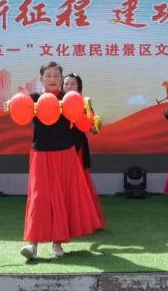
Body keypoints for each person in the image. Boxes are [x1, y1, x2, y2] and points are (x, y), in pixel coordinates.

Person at [20, 62, 102, 260]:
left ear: (61, 79)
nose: (52, 79)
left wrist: (87, 112)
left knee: (62, 197)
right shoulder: (33, 99)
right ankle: (33, 244)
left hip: (65, 153)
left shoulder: (69, 98)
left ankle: (58, 243)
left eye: (56, 75)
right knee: (39, 198)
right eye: (48, 75)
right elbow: (19, 113)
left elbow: (84, 125)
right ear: (41, 79)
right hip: (40, 153)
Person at [63, 73, 105, 227]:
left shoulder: (84, 103)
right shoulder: (55, 102)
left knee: (78, 184)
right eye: (66, 84)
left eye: (72, 84)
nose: (68, 87)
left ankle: (80, 219)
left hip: (77, 148)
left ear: (78, 87)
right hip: (58, 148)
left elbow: (93, 129)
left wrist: (96, 123)